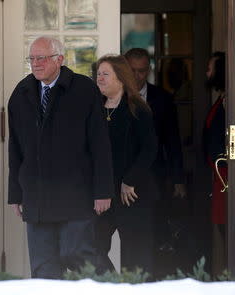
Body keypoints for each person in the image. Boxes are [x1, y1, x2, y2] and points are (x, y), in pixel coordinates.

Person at [7, 36, 115, 279]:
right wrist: (16, 193)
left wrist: (102, 191)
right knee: (44, 268)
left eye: (41, 58)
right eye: (32, 58)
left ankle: (112, 288)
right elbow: (15, 149)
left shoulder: (84, 89)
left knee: (78, 256)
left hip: (75, 194)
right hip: (36, 196)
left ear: (59, 59)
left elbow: (100, 144)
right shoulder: (21, 93)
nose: (35, 64)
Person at [95, 54, 158, 274]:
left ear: (121, 78)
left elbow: (150, 149)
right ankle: (113, 287)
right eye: (98, 74)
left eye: (105, 74)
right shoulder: (95, 108)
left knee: (136, 255)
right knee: (91, 248)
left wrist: (129, 180)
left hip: (132, 193)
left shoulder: (137, 108)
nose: (100, 78)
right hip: (103, 193)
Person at [124, 49, 186, 259]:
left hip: (152, 176)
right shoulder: (111, 96)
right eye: (132, 70)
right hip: (119, 177)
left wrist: (178, 179)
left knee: (148, 232)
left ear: (149, 70)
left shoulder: (162, 99)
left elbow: (172, 140)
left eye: (142, 71)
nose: (137, 76)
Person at [202, 52, 227, 274]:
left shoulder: (229, 101)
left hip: (226, 175)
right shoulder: (222, 99)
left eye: (210, 68)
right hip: (219, 175)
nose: (207, 73)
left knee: (227, 229)